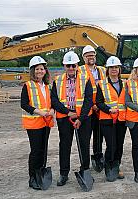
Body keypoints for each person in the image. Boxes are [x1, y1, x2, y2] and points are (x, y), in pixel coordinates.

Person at [51, 51, 93, 186]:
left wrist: (80, 117)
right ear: (64, 66)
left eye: (73, 66)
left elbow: (88, 100)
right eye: (68, 65)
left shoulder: (85, 78)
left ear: (77, 65)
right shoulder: (57, 80)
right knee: (64, 145)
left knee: (84, 144)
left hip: (83, 118)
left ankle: (85, 170)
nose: (70, 68)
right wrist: (68, 112)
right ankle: (64, 174)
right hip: (64, 118)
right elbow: (54, 100)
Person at [21, 56, 54, 189]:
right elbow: (23, 104)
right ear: (33, 71)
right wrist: (38, 112)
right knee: (36, 151)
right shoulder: (28, 85)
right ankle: (33, 177)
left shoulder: (47, 86)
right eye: (37, 69)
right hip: (34, 123)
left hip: (46, 122)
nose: (40, 71)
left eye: (42, 69)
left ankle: (41, 173)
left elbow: (52, 102)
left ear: (45, 71)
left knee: (44, 150)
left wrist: (52, 110)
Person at [96, 56, 127, 180]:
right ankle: (109, 166)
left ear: (119, 69)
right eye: (111, 67)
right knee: (111, 144)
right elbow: (98, 102)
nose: (114, 69)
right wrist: (109, 109)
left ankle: (117, 166)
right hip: (107, 119)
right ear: (107, 70)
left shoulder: (125, 83)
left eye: (116, 67)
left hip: (121, 119)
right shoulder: (101, 84)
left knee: (119, 144)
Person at [80, 45, 106, 170]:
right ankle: (85, 163)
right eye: (88, 55)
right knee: (86, 136)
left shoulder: (102, 70)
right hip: (87, 109)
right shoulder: (79, 70)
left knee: (99, 135)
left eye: (92, 54)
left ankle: (98, 156)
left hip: (100, 108)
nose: (90, 57)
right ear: (83, 57)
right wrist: (92, 105)